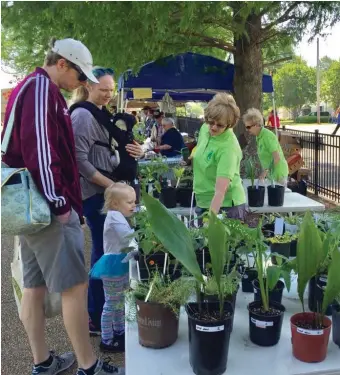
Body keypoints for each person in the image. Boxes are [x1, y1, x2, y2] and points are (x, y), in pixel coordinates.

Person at [1, 38, 123, 375]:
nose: (82, 83)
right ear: (62, 64)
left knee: (34, 287)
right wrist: (60, 204)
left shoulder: (31, 86)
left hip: (32, 208)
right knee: (74, 287)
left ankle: (42, 362)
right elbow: (41, 150)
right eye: (80, 75)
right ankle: (89, 365)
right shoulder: (42, 89)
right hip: (48, 207)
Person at [69, 67, 144, 336]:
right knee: (104, 254)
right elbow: (79, 161)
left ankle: (105, 310)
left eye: (111, 90)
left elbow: (115, 146)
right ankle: (96, 316)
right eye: (103, 89)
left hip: (109, 193)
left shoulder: (100, 114)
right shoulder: (82, 116)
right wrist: (111, 185)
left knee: (109, 250)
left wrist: (138, 149)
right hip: (98, 195)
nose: (108, 95)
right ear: (88, 86)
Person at [89, 183, 138, 353]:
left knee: (118, 301)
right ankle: (107, 339)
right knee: (111, 303)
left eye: (134, 202)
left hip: (119, 263)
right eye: (130, 202)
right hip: (113, 266)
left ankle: (119, 331)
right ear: (116, 204)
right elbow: (127, 238)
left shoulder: (117, 215)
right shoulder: (115, 218)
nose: (134, 206)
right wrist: (139, 248)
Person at [191, 93, 246, 219]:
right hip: (202, 202)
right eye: (211, 122)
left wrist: (210, 220)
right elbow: (200, 148)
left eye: (220, 125)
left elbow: (220, 191)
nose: (214, 127)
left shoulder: (228, 148)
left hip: (226, 207)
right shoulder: (205, 128)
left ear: (229, 124)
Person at [243, 108, 289, 186]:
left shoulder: (267, 136)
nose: (247, 129)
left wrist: (264, 172)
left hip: (278, 175)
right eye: (246, 127)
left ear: (257, 125)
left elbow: (277, 158)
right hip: (271, 176)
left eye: (248, 127)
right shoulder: (258, 136)